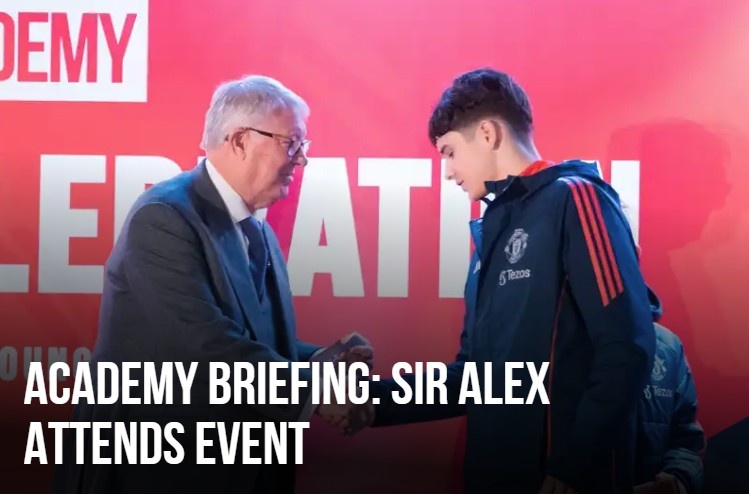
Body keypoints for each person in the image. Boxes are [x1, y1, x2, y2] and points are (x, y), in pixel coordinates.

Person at [51, 75, 372, 494]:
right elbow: (205, 349)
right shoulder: (164, 217)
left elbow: (256, 341)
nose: (302, 159)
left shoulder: (258, 231)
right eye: (291, 143)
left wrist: (325, 362)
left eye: (302, 145)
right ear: (240, 140)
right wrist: (315, 389)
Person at [363, 68, 656, 493]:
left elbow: (627, 347)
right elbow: (474, 379)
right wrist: (370, 402)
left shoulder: (577, 198)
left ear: (487, 133)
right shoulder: (491, 229)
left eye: (449, 152)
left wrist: (573, 466)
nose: (447, 172)